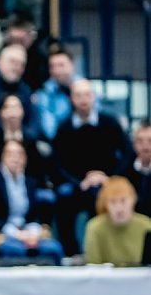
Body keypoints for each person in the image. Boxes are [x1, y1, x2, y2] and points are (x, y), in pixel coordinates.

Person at [53, 79, 132, 256]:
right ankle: (71, 253)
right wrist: (80, 182)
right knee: (63, 198)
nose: (83, 100)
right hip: (77, 184)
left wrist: (108, 178)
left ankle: (101, 252)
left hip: (107, 181)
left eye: (87, 94)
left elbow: (126, 154)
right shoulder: (64, 128)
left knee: (101, 198)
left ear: (94, 97)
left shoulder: (110, 123)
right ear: (71, 99)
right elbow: (57, 165)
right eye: (78, 95)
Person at [0, 140, 62, 264]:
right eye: (11, 154)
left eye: (20, 155)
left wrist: (32, 233)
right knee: (14, 251)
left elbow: (34, 215)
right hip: (2, 233)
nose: (15, 159)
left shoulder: (30, 182)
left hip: (28, 232)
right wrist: (17, 234)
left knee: (54, 249)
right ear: (3, 157)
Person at [35, 48, 80, 141]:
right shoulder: (44, 94)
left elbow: (95, 119)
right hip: (60, 142)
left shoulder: (85, 87)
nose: (56, 70)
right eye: (52, 66)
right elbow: (50, 131)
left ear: (72, 65)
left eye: (61, 65)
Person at [116, 121, 151, 217]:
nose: (145, 146)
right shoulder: (123, 172)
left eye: (150, 141)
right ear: (134, 145)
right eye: (140, 141)